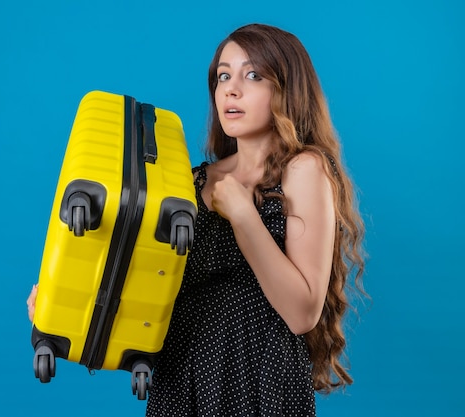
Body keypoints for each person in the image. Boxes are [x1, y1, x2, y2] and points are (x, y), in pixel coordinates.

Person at [28, 23, 366, 416]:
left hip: (261, 380)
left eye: (253, 75)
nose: (231, 89)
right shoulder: (188, 182)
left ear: (286, 88)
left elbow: (302, 313)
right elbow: (150, 296)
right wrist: (65, 306)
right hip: (182, 377)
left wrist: (243, 215)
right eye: (224, 75)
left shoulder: (305, 169)